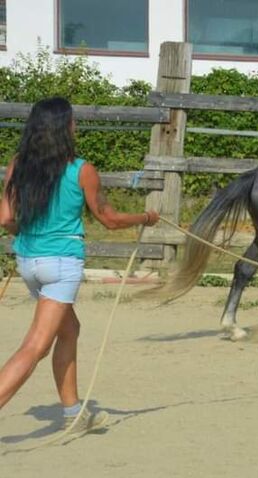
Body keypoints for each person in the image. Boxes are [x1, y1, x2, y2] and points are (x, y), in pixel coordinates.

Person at [0, 97, 159, 434]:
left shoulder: (17, 164)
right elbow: (110, 219)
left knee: (69, 330)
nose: (76, 126)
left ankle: (73, 412)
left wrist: (28, 229)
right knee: (34, 347)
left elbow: (6, 219)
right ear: (63, 128)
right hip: (60, 265)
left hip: (28, 261)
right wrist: (146, 217)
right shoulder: (81, 170)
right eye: (72, 121)